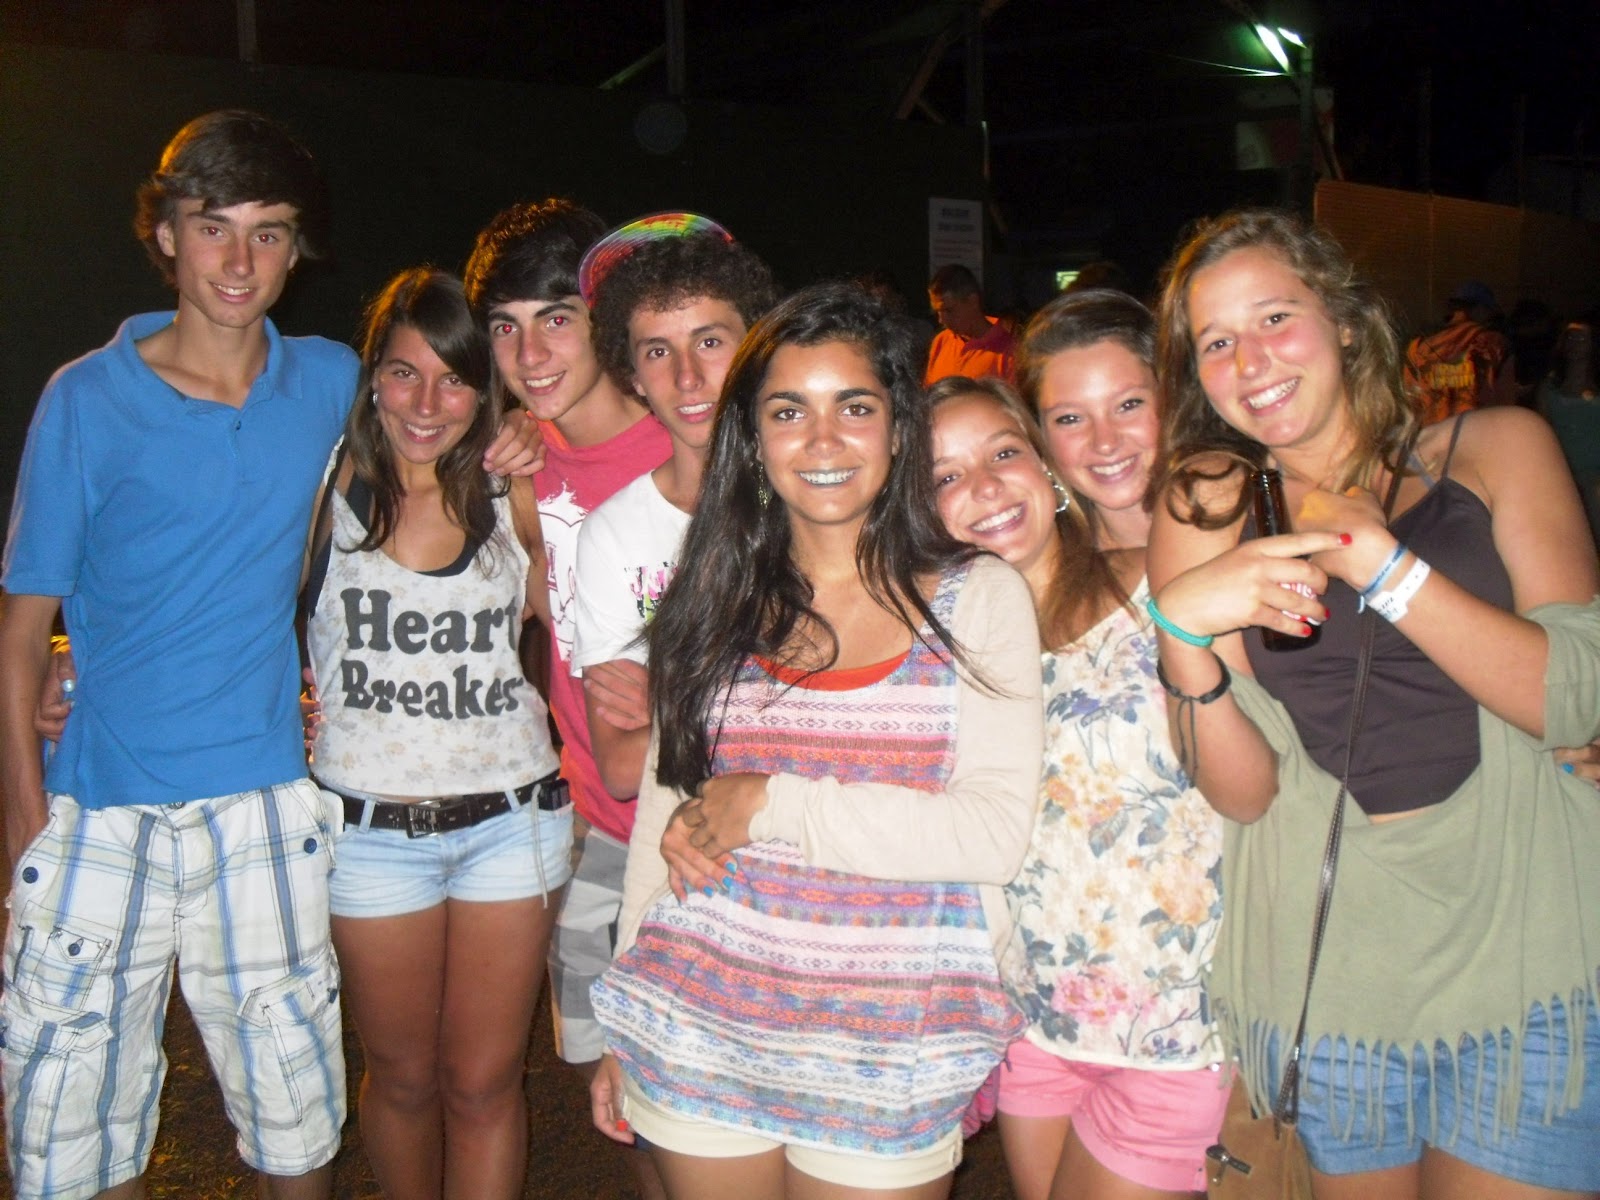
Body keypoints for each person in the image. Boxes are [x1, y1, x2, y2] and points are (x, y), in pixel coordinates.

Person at [0, 110, 539, 1200]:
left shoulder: (330, 385)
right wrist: (21, 837)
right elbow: (19, 637)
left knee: (296, 1127)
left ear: (299, 251)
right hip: (96, 808)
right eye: (214, 227)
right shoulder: (84, 399)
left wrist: (517, 431)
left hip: (266, 804)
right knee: (68, 1132)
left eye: (270, 232)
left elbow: (437, 421)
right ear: (166, 236)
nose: (240, 262)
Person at [1145, 209, 1600, 1198]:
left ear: (1345, 322)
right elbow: (1243, 791)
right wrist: (1178, 636)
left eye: (1275, 317)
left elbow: (1576, 698)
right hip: (1336, 968)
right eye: (1215, 342)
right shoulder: (1209, 504)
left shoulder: (1494, 447)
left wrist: (1385, 568)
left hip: (1527, 940)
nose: (1249, 360)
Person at [587, 282, 1044, 1199]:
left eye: (856, 407)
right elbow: (665, 820)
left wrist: (771, 803)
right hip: (700, 1020)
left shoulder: (976, 596)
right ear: (754, 438)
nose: (824, 440)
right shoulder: (714, 591)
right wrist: (627, 1017)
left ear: (898, 430)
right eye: (789, 411)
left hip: (890, 1045)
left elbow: (993, 834)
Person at [928, 289, 1228, 1200]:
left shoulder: (1168, 585)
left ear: (1042, 468)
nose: (983, 488)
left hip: (1178, 1030)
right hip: (1039, 1022)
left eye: (1001, 454)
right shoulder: (945, 646)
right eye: (943, 477)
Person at [301, 267, 569, 1199]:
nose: (427, 404)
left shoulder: (510, 485)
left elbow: (592, 621)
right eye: (404, 373)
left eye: (454, 379)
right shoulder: (323, 486)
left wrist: (543, 449)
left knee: (485, 1083)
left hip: (512, 822)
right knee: (404, 1079)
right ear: (372, 374)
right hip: (370, 835)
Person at [462, 198, 672, 1088]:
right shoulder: (517, 467)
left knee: (711, 1105)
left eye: (555, 319)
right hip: (595, 826)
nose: (530, 355)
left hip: (702, 828)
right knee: (604, 1085)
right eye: (504, 328)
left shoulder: (687, 446)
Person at [574, 212, 777, 801]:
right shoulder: (613, 533)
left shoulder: (812, 499)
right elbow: (619, 768)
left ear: (755, 347)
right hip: (675, 838)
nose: (687, 377)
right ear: (633, 375)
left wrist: (673, 701)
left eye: (709, 342)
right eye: (658, 351)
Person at [1403, 280, 1515, 425]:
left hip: (1433, 432)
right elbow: (1505, 400)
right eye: (1489, 311)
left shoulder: (1418, 346)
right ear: (1479, 309)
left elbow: (1410, 397)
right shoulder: (1494, 344)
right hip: (1476, 430)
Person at [925, 262, 1017, 385]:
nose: (941, 320)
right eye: (938, 312)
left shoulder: (1009, 352)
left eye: (948, 310)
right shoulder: (941, 342)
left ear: (973, 301)